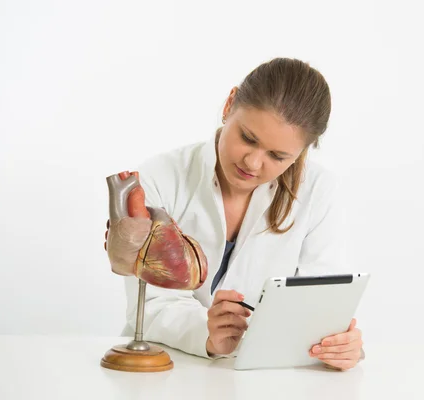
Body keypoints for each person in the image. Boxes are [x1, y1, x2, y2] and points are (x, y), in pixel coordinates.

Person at [105, 57, 364, 371]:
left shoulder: (319, 190)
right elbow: (150, 303)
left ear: (301, 152)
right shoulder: (161, 176)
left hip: (265, 380)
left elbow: (321, 303)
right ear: (229, 104)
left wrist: (339, 345)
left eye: (278, 156)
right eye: (248, 138)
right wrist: (206, 333)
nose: (253, 164)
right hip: (164, 374)